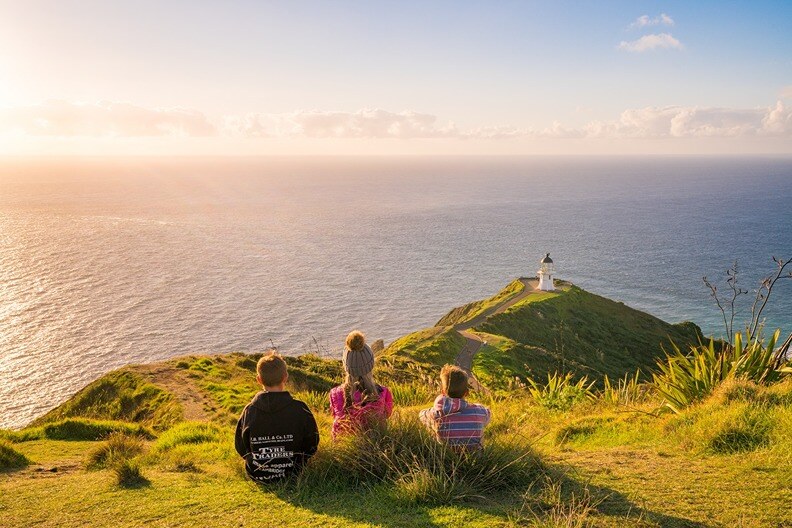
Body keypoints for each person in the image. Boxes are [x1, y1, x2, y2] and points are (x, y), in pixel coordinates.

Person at [235, 351, 319, 482]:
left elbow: (241, 447)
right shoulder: (300, 408)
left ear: (259, 379)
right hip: (294, 472)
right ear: (285, 377)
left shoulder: (249, 410)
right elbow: (312, 443)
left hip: (257, 474)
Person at [329, 330, 394, 438]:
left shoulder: (334, 394)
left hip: (341, 449)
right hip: (376, 446)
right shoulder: (383, 393)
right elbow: (387, 415)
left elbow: (335, 416)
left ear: (346, 367)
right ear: (371, 365)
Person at [419, 364, 491, 450]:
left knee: (432, 425)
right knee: (480, 425)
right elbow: (488, 415)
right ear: (467, 393)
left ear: (443, 392)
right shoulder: (480, 411)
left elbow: (421, 415)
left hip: (444, 456)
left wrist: (438, 405)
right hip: (476, 456)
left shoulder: (435, 413)